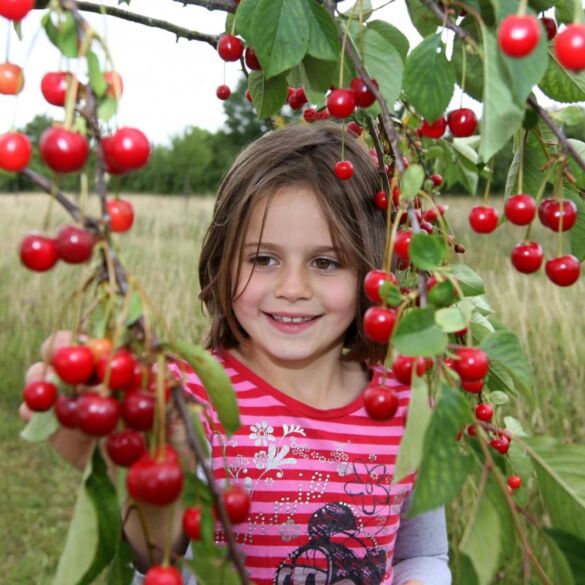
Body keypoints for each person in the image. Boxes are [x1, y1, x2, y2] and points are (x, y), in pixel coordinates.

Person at [21, 123, 451, 585]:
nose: (291, 290)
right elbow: (160, 559)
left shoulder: (407, 410)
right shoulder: (188, 400)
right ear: (222, 262)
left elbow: (422, 554)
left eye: (325, 262)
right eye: (263, 259)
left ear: (371, 270)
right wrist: (127, 474)